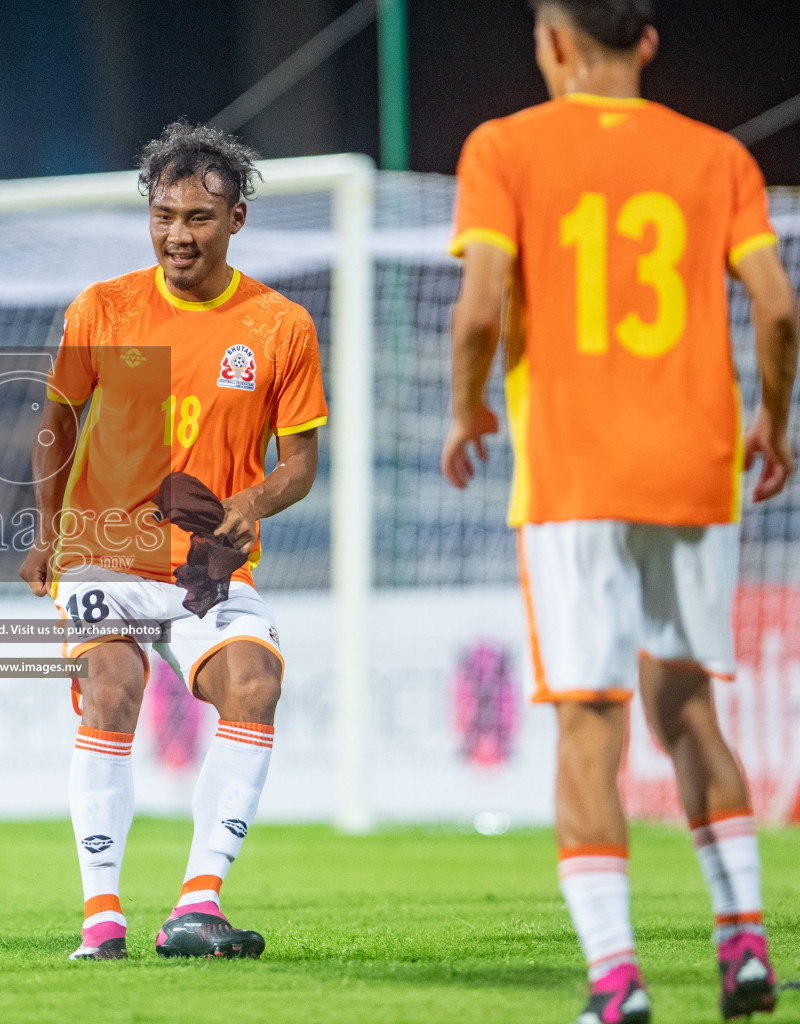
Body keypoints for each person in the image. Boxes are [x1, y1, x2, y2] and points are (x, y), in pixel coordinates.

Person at [442, 2, 797, 1020]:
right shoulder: (717, 157)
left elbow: (478, 307)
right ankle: (745, 953)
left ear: (554, 41)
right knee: (688, 708)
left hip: (574, 474)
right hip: (697, 469)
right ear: (647, 42)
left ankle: (617, 976)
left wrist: (467, 411)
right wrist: (774, 421)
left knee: (591, 724)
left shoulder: (504, 146)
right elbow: (777, 305)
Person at [18, 120, 326, 961]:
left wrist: (254, 499)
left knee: (255, 683)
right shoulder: (106, 306)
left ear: (235, 222)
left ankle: (197, 903)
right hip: (103, 551)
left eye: (196, 217)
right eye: (162, 214)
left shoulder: (278, 325)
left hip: (206, 565)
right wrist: (47, 534)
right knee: (112, 684)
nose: (176, 234)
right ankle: (102, 919)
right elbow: (56, 420)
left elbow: (300, 461)